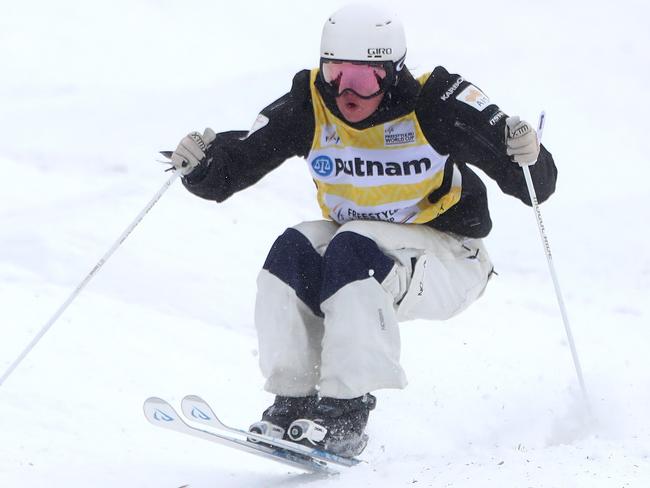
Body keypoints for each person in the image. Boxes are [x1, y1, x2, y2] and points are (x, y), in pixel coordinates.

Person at [166, 4, 557, 458]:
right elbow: (231, 171)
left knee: (353, 246)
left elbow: (533, 186)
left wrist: (528, 152)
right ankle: (293, 402)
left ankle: (346, 413)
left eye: (363, 78)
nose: (345, 92)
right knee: (290, 251)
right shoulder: (310, 104)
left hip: (452, 258)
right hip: (367, 253)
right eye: (334, 73)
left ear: (393, 71)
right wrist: (200, 166)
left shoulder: (437, 102)